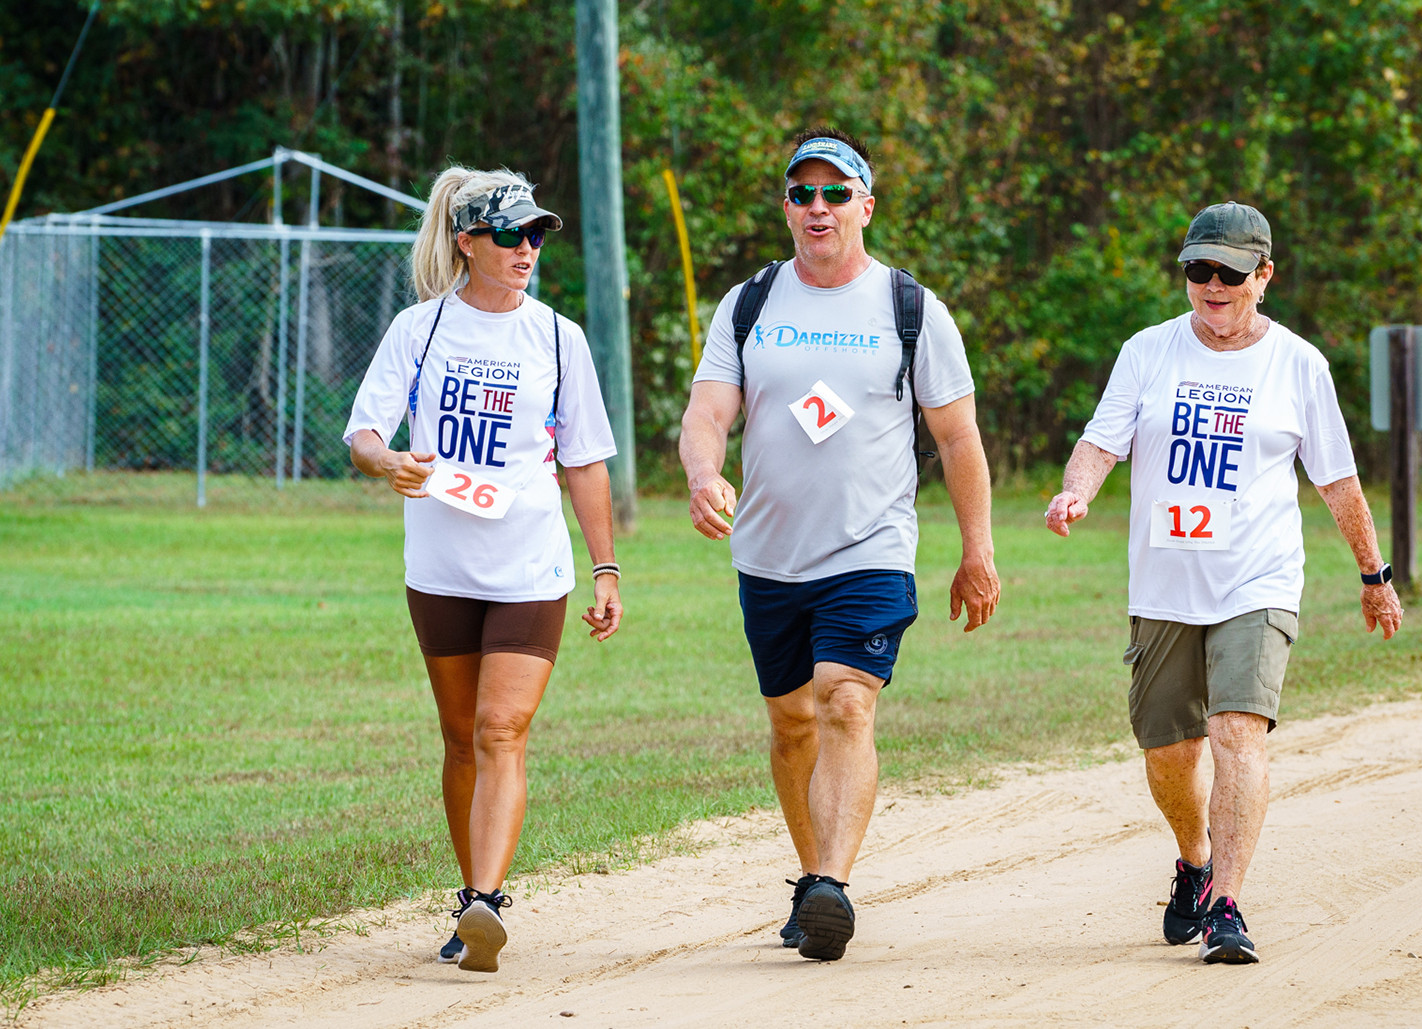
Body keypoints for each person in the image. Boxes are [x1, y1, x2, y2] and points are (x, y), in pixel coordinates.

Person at [1044, 201, 1403, 964]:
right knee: (1169, 751)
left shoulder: (1298, 365)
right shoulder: (1147, 352)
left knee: (1236, 731)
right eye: (1197, 270)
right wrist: (1077, 490)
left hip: (1258, 581)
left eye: (1228, 273)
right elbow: (1099, 443)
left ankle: (1228, 905)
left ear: (1264, 276)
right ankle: (1195, 856)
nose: (1211, 285)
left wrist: (1374, 575)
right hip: (1166, 587)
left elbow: (1338, 482)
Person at [679, 128, 1001, 962]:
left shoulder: (910, 308)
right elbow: (708, 412)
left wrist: (978, 550)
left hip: (871, 549)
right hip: (769, 557)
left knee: (845, 701)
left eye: (834, 191)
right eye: (801, 193)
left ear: (866, 203)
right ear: (786, 205)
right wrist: (704, 474)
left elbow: (958, 439)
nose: (816, 207)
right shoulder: (750, 303)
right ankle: (809, 876)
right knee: (791, 724)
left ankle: (833, 885)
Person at [342, 165, 623, 974]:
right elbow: (364, 430)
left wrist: (605, 567)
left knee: (503, 728)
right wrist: (385, 460)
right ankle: (469, 897)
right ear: (467, 242)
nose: (527, 248)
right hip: (439, 567)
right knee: (460, 737)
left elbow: (587, 462)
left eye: (537, 234)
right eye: (510, 234)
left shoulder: (559, 338)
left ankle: (488, 902)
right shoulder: (420, 329)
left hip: (531, 567)